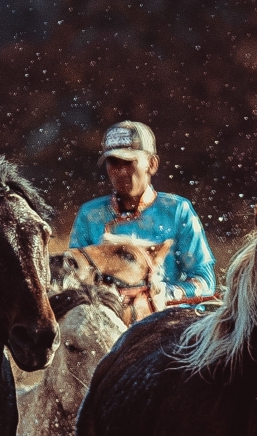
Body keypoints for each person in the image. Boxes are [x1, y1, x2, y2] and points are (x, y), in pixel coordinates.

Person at [67, 121, 216, 305]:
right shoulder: (90, 215)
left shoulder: (177, 210)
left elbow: (205, 280)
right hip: (106, 321)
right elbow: (71, 278)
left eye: (129, 162)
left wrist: (162, 292)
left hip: (166, 319)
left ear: (152, 164)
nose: (121, 171)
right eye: (113, 163)